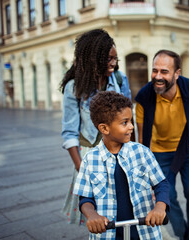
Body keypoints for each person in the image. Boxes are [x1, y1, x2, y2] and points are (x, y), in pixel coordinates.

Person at [135, 49, 189, 239]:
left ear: (177, 74)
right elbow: (142, 138)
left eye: (164, 71)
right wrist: (143, 168)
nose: (158, 76)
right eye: (155, 70)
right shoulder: (143, 98)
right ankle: (183, 234)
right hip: (159, 150)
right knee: (166, 197)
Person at [73, 91, 170, 240]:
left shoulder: (142, 152)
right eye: (125, 123)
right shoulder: (90, 160)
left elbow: (161, 184)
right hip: (109, 233)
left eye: (131, 121)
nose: (131, 127)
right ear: (104, 128)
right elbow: (85, 198)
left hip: (143, 232)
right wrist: (92, 215)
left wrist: (160, 207)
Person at [60, 29, 131, 225]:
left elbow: (127, 120)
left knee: (122, 209)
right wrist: (81, 167)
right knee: (97, 215)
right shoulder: (74, 87)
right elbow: (69, 132)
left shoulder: (119, 79)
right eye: (108, 59)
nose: (113, 63)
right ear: (94, 58)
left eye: (115, 59)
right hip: (89, 156)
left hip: (118, 153)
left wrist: (132, 153)